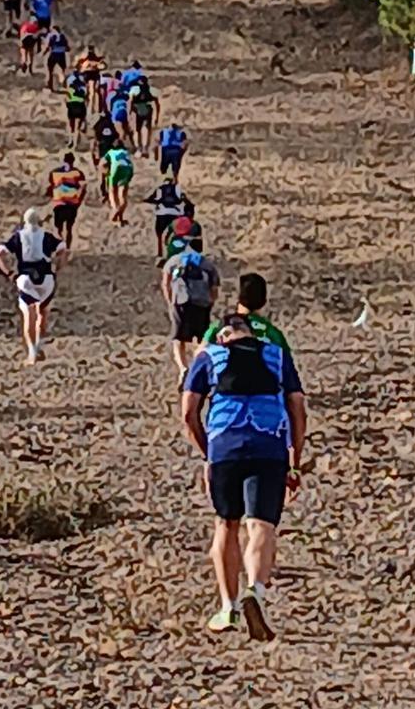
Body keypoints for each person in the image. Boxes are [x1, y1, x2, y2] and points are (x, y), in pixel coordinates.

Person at [182, 316, 307, 641]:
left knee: (227, 523)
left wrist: (207, 452)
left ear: (224, 335)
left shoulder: (209, 355)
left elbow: (188, 411)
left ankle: (228, 607)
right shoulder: (277, 355)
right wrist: (295, 461)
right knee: (261, 525)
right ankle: (257, 590)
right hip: (269, 444)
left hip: (225, 446)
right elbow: (297, 405)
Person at [0, 207, 66, 364]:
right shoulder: (46, 236)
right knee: (42, 313)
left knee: (28, 316)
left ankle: (32, 352)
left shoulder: (18, 237)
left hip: (26, 278)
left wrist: (9, 273)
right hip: (46, 278)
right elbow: (63, 248)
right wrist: (58, 267)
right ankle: (39, 344)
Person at [162, 235, 219, 374]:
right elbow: (214, 288)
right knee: (201, 338)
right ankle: (198, 365)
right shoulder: (207, 264)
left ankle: (183, 368)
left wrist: (170, 300)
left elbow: (166, 282)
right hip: (201, 302)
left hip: (180, 300)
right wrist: (210, 302)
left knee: (178, 336)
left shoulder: (174, 261)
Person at [204, 273, 290, 354]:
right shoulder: (273, 334)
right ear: (263, 302)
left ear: (239, 297)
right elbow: (286, 365)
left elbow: (200, 356)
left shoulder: (219, 328)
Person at [144, 174, 194, 263]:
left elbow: (152, 199)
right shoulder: (177, 188)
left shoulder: (160, 188)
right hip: (175, 214)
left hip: (162, 213)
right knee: (175, 234)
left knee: (159, 234)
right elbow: (182, 199)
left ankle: (160, 253)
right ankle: (174, 252)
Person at [47, 152, 86, 249]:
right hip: (70, 203)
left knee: (60, 227)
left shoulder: (54, 173)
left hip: (60, 202)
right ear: (73, 161)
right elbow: (83, 187)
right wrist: (79, 200)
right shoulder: (78, 173)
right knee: (68, 228)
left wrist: (53, 196)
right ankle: (66, 246)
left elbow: (50, 187)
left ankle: (63, 245)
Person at [129, 74, 160, 157]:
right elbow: (157, 104)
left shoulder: (134, 90)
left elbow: (130, 102)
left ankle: (139, 148)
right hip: (147, 109)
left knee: (137, 130)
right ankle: (145, 148)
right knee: (147, 129)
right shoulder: (152, 90)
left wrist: (129, 113)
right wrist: (157, 116)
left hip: (137, 109)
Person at [103, 144, 135, 225]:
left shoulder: (110, 152)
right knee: (122, 196)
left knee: (112, 192)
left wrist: (105, 173)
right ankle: (120, 216)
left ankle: (115, 211)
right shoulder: (125, 152)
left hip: (115, 171)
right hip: (127, 170)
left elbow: (102, 163)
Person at [92, 108, 120, 197]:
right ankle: (108, 189)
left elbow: (94, 144)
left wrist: (94, 159)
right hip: (111, 154)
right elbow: (117, 141)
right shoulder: (112, 126)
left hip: (102, 154)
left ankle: (103, 188)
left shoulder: (98, 127)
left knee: (102, 173)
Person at [108, 75, 134, 151]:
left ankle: (118, 147)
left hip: (116, 114)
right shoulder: (126, 96)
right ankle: (133, 146)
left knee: (120, 132)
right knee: (127, 131)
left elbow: (109, 107)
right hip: (124, 113)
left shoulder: (112, 96)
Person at [65, 69, 89, 148]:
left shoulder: (69, 80)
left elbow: (67, 94)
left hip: (71, 103)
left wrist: (67, 103)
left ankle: (70, 140)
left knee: (70, 124)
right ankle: (75, 144)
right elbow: (86, 95)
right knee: (77, 126)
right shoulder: (83, 83)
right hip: (80, 103)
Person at [45, 27, 70, 92]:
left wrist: (44, 53)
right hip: (61, 55)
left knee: (50, 70)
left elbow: (49, 47)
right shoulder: (63, 37)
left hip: (54, 55)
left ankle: (50, 85)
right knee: (64, 69)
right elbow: (67, 48)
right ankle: (65, 83)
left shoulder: (52, 37)